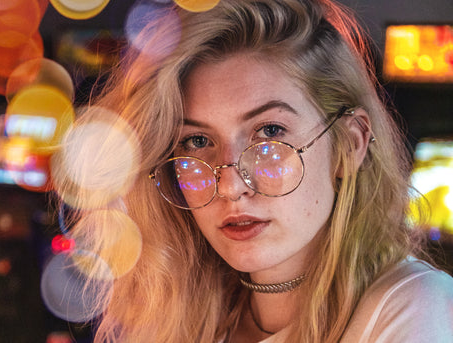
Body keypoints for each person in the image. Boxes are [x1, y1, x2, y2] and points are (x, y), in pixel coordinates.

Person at [52, 0, 453, 342]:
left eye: (269, 133)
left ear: (350, 144)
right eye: (196, 141)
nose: (228, 184)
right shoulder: (181, 314)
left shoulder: (415, 307)